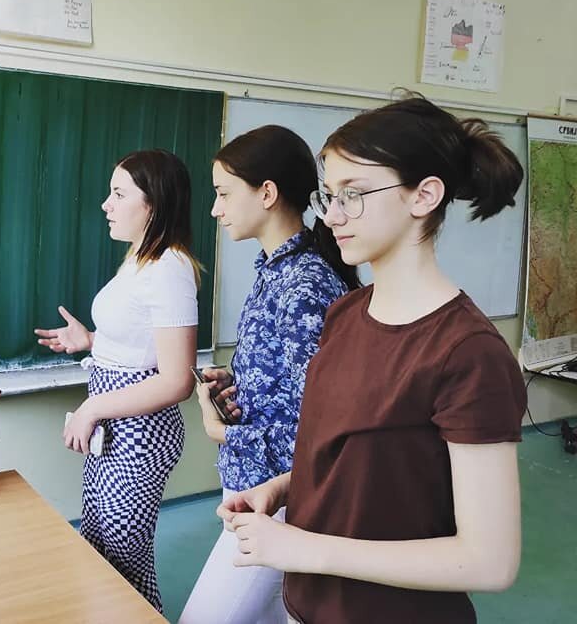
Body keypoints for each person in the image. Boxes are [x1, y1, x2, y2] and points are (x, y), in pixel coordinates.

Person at [218, 95, 527, 624]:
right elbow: (353, 456)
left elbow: (489, 560)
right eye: (329, 195)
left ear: (424, 196)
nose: (331, 216)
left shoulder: (468, 353)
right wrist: (286, 487)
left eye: (354, 195)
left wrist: (305, 548)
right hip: (310, 605)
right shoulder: (344, 314)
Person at [179, 127, 359, 624]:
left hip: (276, 497)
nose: (215, 209)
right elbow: (288, 389)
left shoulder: (303, 283)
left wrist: (225, 431)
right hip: (252, 487)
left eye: (222, 194)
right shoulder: (274, 270)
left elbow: (317, 428)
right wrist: (237, 386)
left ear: (267, 193)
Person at [34, 150, 199, 613]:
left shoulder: (170, 269)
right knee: (100, 548)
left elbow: (175, 380)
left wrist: (91, 408)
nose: (106, 204)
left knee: (124, 561)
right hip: (116, 427)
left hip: (140, 433)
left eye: (119, 194)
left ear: (154, 203)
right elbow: (139, 344)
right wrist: (89, 340)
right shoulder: (140, 259)